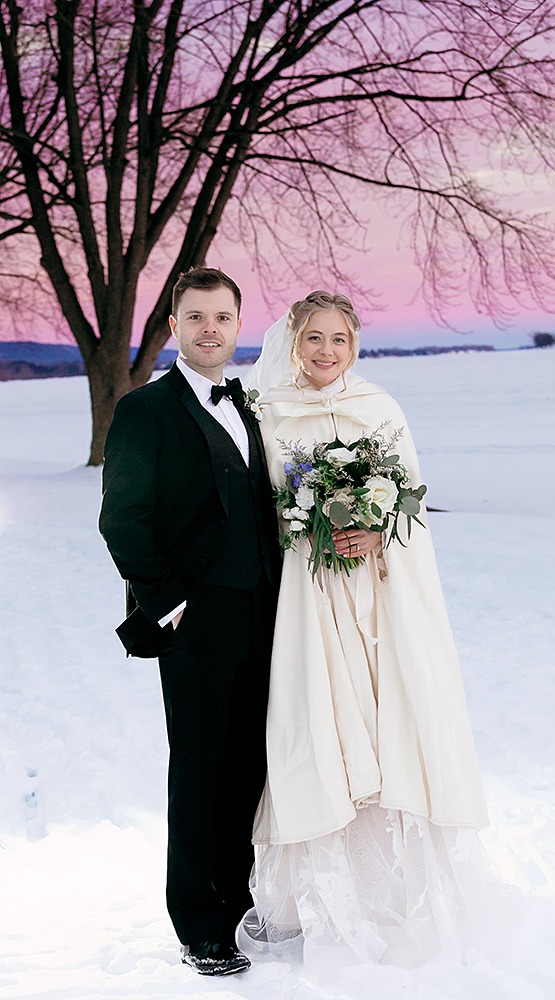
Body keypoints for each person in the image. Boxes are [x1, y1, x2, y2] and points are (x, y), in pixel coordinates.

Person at [239, 291, 491, 971]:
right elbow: (259, 500)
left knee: (385, 717)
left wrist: (373, 530)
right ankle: (307, 894)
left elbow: (409, 496)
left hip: (376, 595)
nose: (325, 351)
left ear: (355, 346)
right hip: (307, 591)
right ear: (292, 342)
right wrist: (305, 519)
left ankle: (390, 892)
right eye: (312, 338)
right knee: (318, 714)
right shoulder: (268, 414)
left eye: (338, 340)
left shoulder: (380, 409)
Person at [99, 266, 281, 977]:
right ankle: (198, 921)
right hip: (194, 618)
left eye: (223, 318)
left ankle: (238, 902)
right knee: (201, 767)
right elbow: (122, 519)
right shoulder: (145, 411)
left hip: (266, 611)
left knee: (248, 764)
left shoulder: (254, 405)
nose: (210, 330)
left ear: (239, 326)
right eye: (196, 317)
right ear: (173, 327)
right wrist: (168, 601)